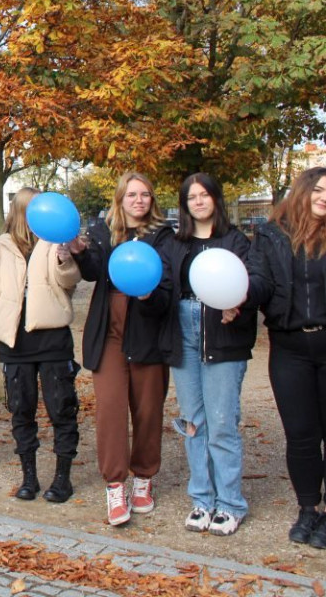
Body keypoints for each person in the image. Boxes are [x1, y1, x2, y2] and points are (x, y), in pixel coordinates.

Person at [0, 188, 82, 502]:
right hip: (15, 342)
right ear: (19, 213)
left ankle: (62, 478)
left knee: (62, 409)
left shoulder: (54, 243)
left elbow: (70, 282)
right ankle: (29, 477)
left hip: (52, 339)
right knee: (21, 411)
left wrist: (66, 261)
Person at [68, 171, 174, 526]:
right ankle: (115, 485)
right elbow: (93, 271)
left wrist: (148, 292)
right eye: (132, 195)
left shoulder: (163, 236)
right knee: (110, 412)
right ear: (120, 199)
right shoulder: (103, 231)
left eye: (145, 194)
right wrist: (80, 253)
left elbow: (168, 288)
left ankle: (143, 480)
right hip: (109, 336)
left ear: (151, 200)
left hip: (148, 336)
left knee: (147, 412)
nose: (139, 200)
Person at [160, 173, 256, 536]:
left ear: (216, 198)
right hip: (183, 331)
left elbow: (252, 282)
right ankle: (202, 499)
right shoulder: (175, 242)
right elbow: (166, 286)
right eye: (191, 197)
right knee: (192, 421)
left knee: (221, 422)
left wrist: (239, 305)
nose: (198, 201)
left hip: (223, 333)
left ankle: (230, 503)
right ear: (185, 204)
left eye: (204, 195)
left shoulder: (235, 242)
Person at [248, 166, 326, 547]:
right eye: (320, 190)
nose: (324, 197)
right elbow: (260, 281)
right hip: (290, 347)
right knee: (300, 435)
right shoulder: (273, 236)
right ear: (304, 191)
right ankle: (308, 508)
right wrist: (241, 295)